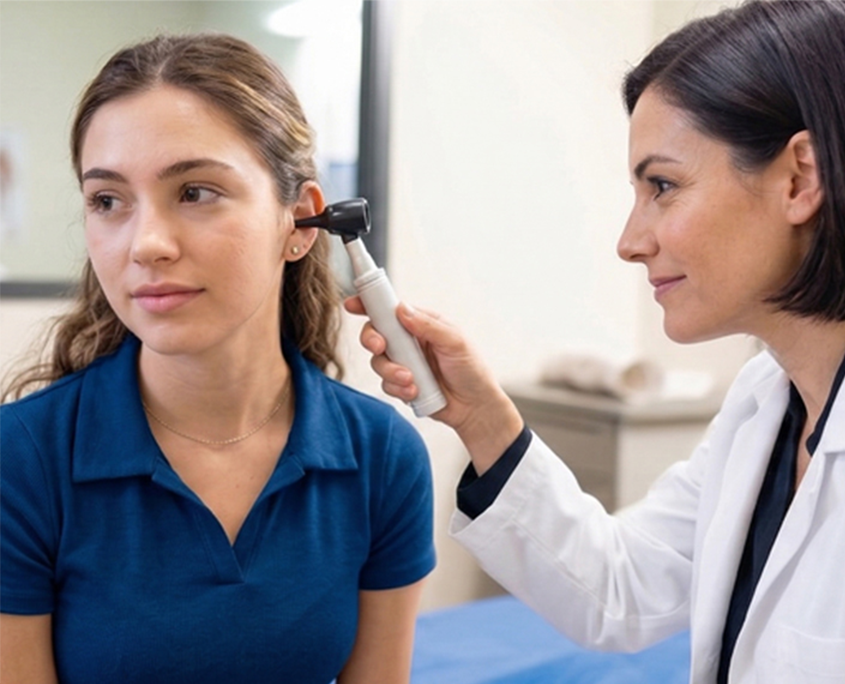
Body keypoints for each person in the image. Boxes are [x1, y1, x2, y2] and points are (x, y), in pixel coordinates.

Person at [348, 1, 845, 682]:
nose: (628, 242)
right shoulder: (766, 403)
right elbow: (620, 589)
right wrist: (483, 418)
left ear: (799, 178)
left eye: (662, 186)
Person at [0, 34, 435, 684]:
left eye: (195, 192)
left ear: (299, 221)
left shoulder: (381, 457)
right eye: (108, 201)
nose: (145, 243)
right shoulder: (22, 461)